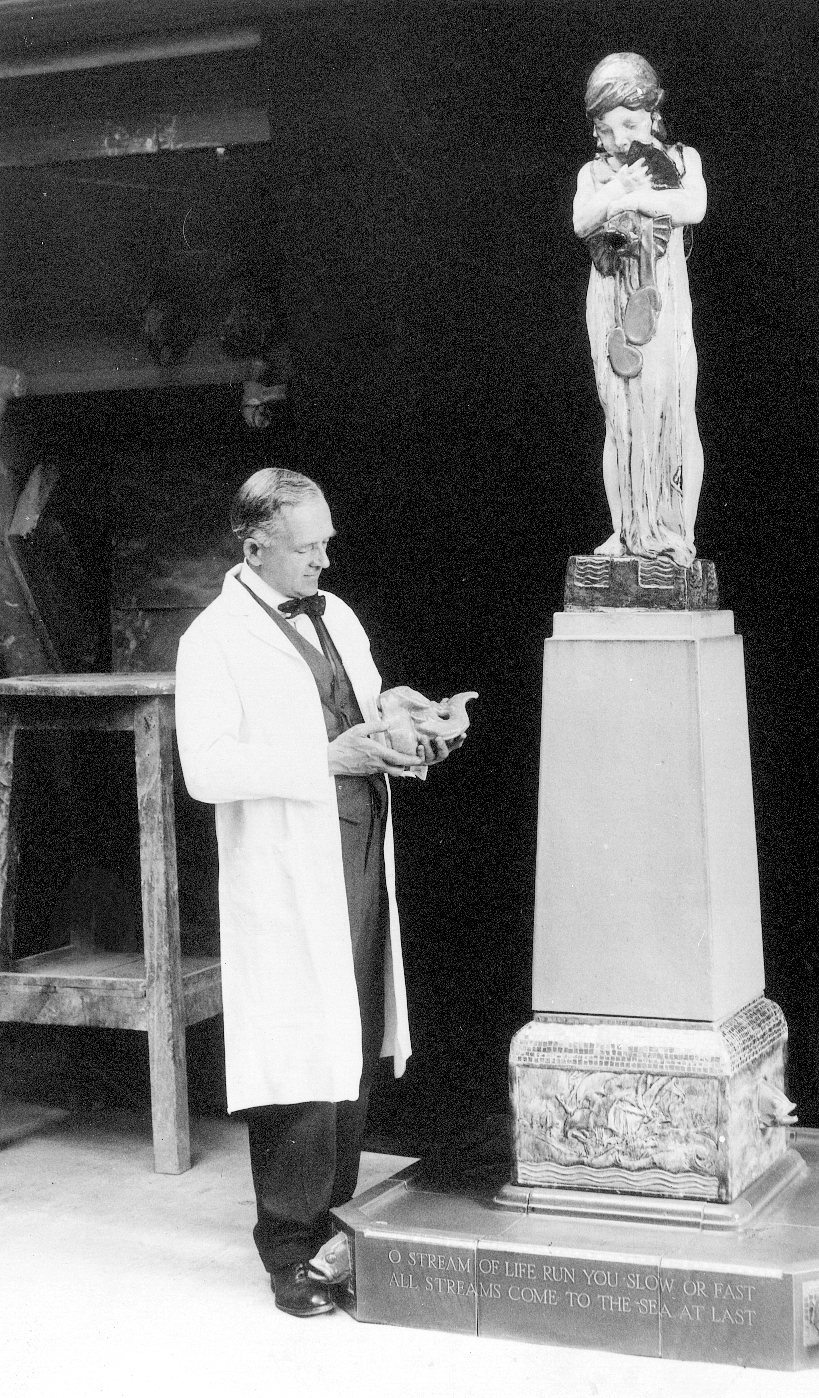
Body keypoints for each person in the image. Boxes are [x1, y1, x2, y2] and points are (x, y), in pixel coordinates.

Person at [175, 467, 462, 1318]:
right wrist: (326, 761)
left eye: (328, 542)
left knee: (355, 1033)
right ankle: (289, 1248)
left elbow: (358, 706)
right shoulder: (212, 640)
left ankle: (334, 1229)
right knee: (301, 1052)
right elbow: (206, 768)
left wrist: (410, 718)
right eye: (310, 546)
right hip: (288, 866)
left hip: (359, 851)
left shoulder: (335, 615)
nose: (325, 560)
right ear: (255, 543)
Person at [572, 52, 708, 567]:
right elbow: (583, 220)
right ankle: (626, 530)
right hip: (612, 298)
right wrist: (615, 195)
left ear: (652, 116)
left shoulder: (681, 159)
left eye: (629, 123)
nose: (618, 139)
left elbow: (692, 206)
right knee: (620, 420)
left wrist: (640, 195)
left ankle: (678, 531)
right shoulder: (595, 172)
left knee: (673, 413)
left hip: (663, 300)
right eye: (606, 130)